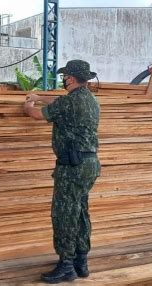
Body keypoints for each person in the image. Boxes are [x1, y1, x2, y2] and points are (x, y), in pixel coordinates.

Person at [24, 60, 101, 284]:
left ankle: (66, 264)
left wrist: (28, 106)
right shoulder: (90, 100)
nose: (63, 79)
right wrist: (39, 96)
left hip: (71, 167)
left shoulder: (69, 103)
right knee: (80, 212)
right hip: (89, 165)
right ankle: (81, 261)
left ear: (71, 78)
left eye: (65, 76)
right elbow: (60, 101)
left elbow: (38, 115)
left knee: (64, 214)